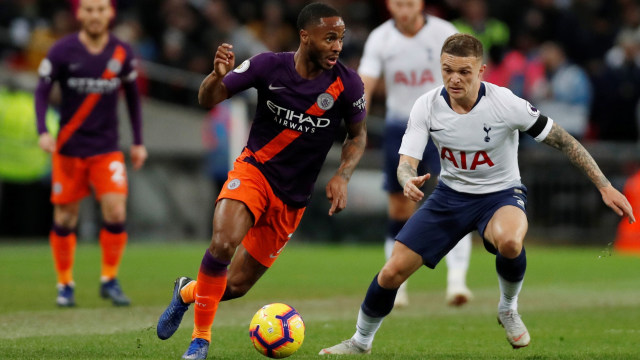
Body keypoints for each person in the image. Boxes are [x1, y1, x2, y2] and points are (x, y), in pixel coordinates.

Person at [319, 33, 635, 355]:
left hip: (499, 196)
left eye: (464, 72)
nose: (454, 79)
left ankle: (508, 308)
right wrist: (407, 180)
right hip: (449, 196)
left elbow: (565, 141)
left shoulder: (506, 104)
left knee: (511, 242)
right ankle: (360, 342)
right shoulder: (427, 106)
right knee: (391, 272)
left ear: (481, 71)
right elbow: (406, 163)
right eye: (447, 70)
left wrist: (605, 186)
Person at [156, 3, 367, 359]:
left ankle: (187, 292)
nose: (337, 46)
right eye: (329, 37)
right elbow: (208, 98)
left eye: (341, 39)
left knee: (235, 286)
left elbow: (357, 136)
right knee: (222, 245)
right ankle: (200, 340)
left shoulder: (348, 84)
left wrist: (343, 176)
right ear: (305, 36)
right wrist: (216, 76)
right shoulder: (268, 66)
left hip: (292, 199)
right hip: (254, 172)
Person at [358, 0, 472, 307]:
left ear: (420, 3)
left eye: (409, 2)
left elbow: (467, 75)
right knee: (398, 208)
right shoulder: (381, 38)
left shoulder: (443, 33)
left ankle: (457, 282)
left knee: (456, 198)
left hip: (443, 124)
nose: (404, 8)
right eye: (398, 3)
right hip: (401, 127)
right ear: (388, 6)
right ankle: (397, 285)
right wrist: (357, 121)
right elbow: (365, 83)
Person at [34, 0, 147, 307]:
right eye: (88, 9)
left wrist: (138, 141)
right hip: (69, 149)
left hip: (107, 149)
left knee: (116, 212)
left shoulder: (122, 52)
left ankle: (109, 279)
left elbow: (134, 99)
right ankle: (65, 284)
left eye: (100, 9)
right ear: (78, 13)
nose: (95, 15)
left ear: (110, 13)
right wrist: (43, 130)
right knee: (66, 218)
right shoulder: (61, 51)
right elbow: (41, 91)